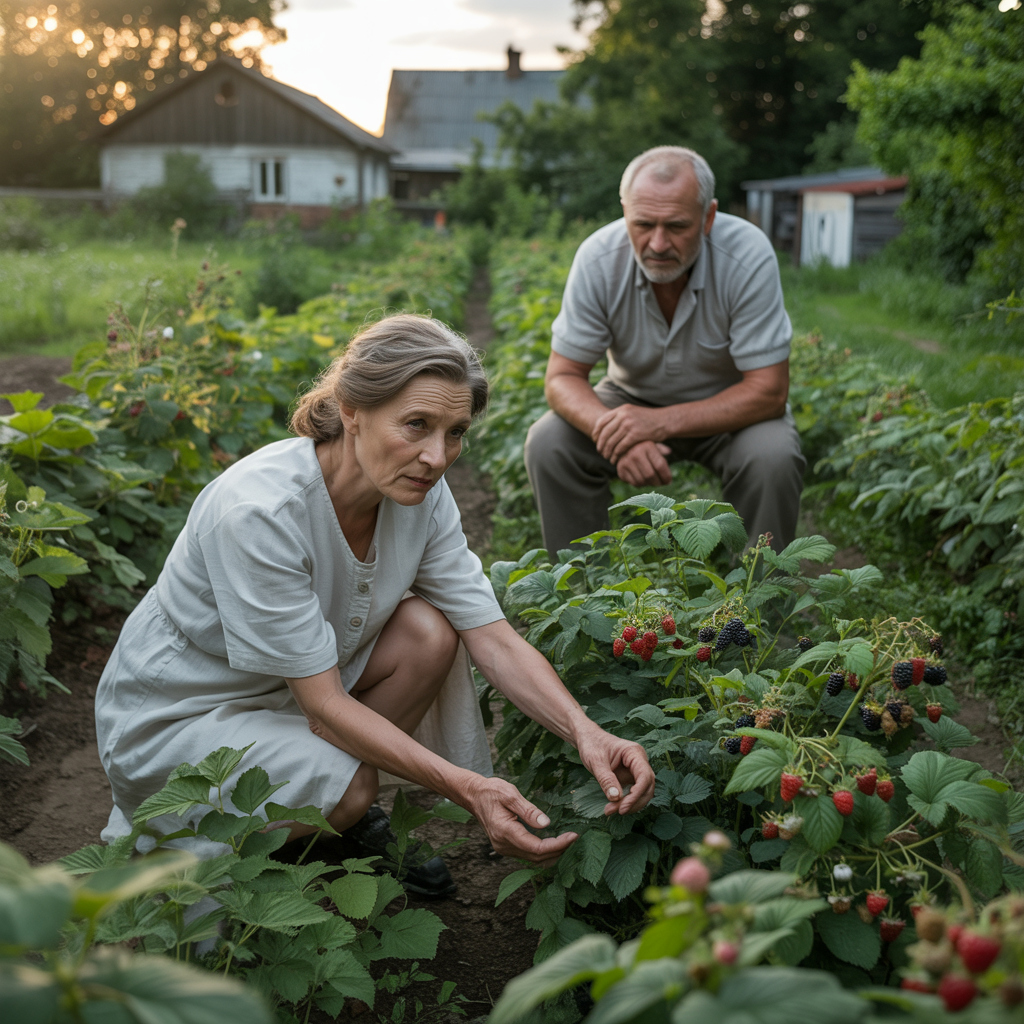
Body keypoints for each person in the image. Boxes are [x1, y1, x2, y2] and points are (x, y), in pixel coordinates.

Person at [94, 313, 654, 896]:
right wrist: (468, 787)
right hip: (184, 716)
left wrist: (586, 732)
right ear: (351, 410)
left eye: (455, 431)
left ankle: (320, 813)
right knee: (353, 786)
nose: (437, 457)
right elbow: (324, 706)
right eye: (416, 424)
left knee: (429, 632)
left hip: (293, 694)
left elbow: (492, 636)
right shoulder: (261, 512)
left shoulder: (420, 497)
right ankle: (273, 853)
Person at [524, 145, 806, 555]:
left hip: (730, 410)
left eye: (676, 226)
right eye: (643, 224)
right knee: (549, 443)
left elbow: (769, 391)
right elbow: (562, 378)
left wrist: (655, 424)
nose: (657, 243)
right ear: (625, 213)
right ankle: (584, 602)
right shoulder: (598, 258)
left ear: (708, 218)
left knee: (773, 457)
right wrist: (619, 433)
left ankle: (754, 609)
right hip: (629, 397)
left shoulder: (747, 255)